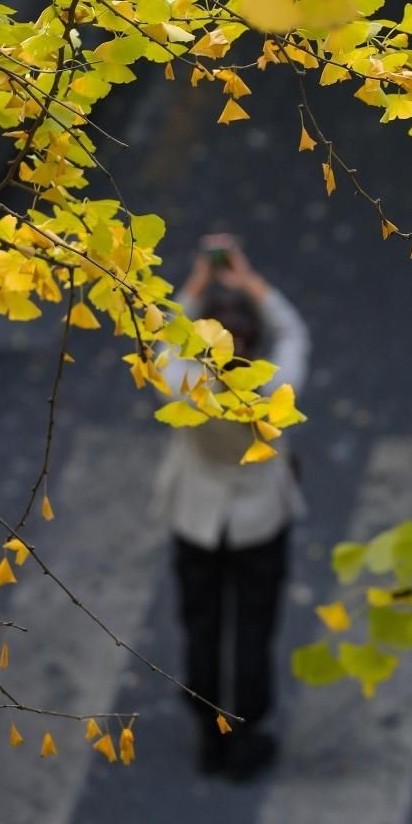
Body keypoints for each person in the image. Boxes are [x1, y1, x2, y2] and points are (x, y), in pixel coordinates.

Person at [156, 235, 310, 780]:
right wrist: (252, 284)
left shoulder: (187, 386)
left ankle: (207, 733)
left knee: (201, 628)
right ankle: (245, 733)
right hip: (258, 523)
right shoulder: (273, 386)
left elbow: (162, 337)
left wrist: (195, 288)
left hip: (196, 521)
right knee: (252, 630)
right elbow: (293, 331)